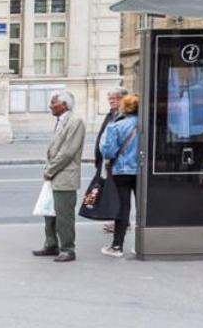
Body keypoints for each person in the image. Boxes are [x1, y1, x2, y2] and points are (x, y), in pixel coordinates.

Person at [34, 89, 86, 262]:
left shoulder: (75, 122)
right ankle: (51, 244)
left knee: (64, 215)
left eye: (53, 102)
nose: (50, 106)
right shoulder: (61, 121)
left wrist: (50, 170)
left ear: (64, 105)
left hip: (65, 175)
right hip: (56, 174)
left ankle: (68, 248)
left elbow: (68, 152)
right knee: (49, 212)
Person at [98, 93, 141, 257]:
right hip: (141, 171)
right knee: (142, 208)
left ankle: (117, 246)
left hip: (121, 171)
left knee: (123, 208)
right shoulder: (146, 125)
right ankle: (142, 245)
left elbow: (108, 151)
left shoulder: (116, 126)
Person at [92, 89, 123, 232]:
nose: (111, 101)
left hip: (116, 161)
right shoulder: (111, 114)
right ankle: (117, 219)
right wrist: (98, 157)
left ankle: (121, 221)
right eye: (110, 99)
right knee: (110, 191)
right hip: (106, 159)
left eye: (115, 99)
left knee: (118, 193)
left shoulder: (123, 116)